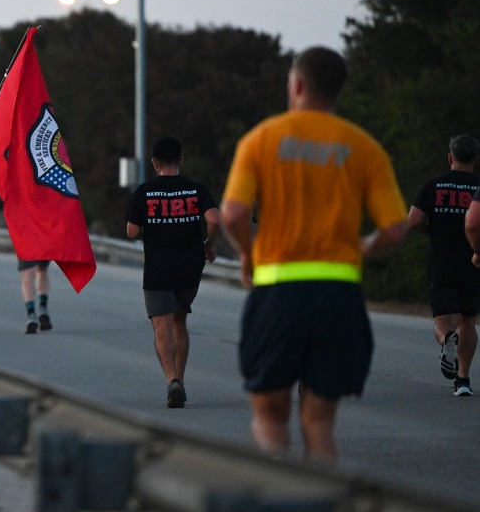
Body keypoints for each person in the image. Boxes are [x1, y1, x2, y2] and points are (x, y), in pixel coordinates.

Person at [220, 46, 408, 462]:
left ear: (298, 84)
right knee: (320, 422)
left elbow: (232, 213)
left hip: (277, 295)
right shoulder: (364, 148)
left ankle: (279, 507)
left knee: (270, 417)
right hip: (338, 298)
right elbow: (396, 228)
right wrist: (365, 246)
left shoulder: (261, 140)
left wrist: (249, 256)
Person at [125, 135, 220, 408]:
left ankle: (171, 381)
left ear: (154, 163)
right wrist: (210, 243)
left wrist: (151, 226)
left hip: (158, 268)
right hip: (190, 266)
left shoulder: (144, 192)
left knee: (161, 325)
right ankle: (181, 377)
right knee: (180, 321)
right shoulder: (196, 189)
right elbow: (214, 218)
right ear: (180, 159)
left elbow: (132, 232)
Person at [408, 135, 480, 397]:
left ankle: (446, 340)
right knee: (468, 321)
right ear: (475, 158)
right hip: (474, 263)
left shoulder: (433, 186)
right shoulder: (478, 187)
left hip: (442, 264)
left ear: (450, 157)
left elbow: (413, 220)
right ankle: (463, 381)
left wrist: (433, 229)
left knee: (443, 322)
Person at [20, 259, 52, 334]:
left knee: (27, 272)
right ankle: (43, 308)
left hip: (26, 247)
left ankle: (31, 314)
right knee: (42, 269)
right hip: (43, 246)